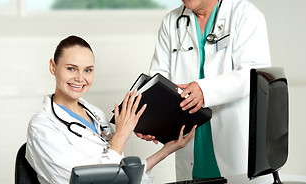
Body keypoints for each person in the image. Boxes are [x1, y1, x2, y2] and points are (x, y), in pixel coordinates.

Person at [140, 0, 271, 181]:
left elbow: (253, 74)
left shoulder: (244, 15)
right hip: (190, 141)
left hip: (234, 141)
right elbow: (159, 78)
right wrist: (154, 122)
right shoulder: (172, 22)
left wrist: (204, 89)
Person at [25, 35, 196, 184]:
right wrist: (121, 135)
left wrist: (167, 149)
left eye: (88, 70)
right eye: (71, 68)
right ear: (53, 67)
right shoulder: (41, 127)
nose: (80, 78)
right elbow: (80, 181)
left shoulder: (95, 114)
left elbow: (121, 174)